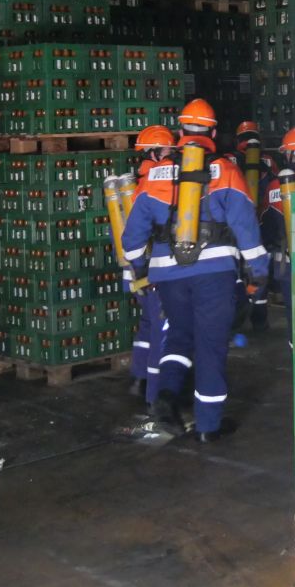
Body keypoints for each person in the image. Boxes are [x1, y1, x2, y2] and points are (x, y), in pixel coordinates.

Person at [120, 98, 270, 442]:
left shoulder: (156, 174)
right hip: (213, 273)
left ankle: (166, 395)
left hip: (167, 275)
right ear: (213, 133)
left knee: (179, 336)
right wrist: (259, 270)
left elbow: (133, 235)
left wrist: (140, 268)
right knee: (210, 345)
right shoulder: (226, 170)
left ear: (179, 131)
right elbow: (246, 226)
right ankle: (208, 426)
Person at [122, 125, 176, 404]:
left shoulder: (138, 182)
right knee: (162, 332)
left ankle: (138, 378)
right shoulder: (157, 184)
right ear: (155, 152)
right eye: (167, 149)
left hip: (133, 270)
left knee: (147, 325)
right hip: (150, 271)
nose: (170, 153)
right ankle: (155, 397)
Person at [227, 121, 275, 332]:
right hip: (259, 222)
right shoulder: (268, 161)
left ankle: (235, 321)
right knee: (258, 270)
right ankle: (259, 321)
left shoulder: (228, 160)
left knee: (234, 274)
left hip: (234, 225)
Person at [260, 126, 295, 326]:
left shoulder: (275, 187)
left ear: (288, 154)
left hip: (288, 263)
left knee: (294, 313)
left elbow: (266, 226)